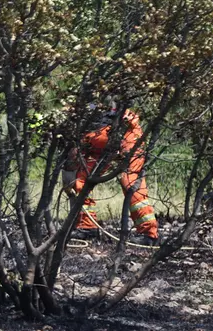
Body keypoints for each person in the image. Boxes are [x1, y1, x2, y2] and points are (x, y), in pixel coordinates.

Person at [66, 103, 160, 245]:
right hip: (96, 140)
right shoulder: (81, 106)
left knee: (131, 184)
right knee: (81, 181)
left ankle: (149, 234)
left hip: (126, 133)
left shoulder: (107, 94)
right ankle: (87, 228)